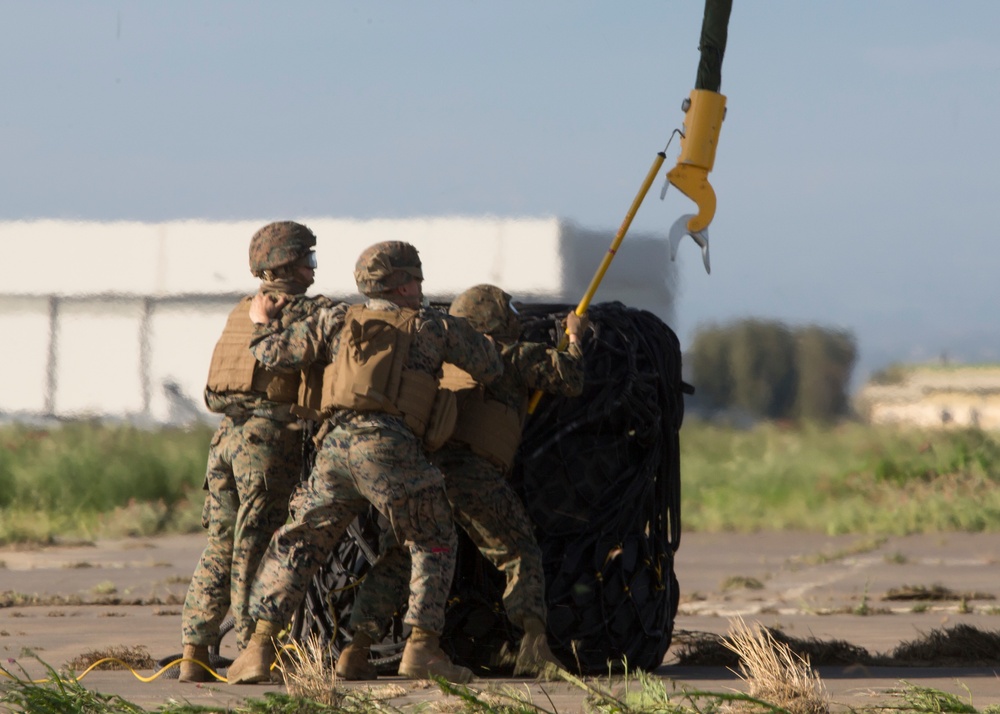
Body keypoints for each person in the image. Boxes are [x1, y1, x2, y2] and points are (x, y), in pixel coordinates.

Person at [224, 241, 504, 685]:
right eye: (416, 280)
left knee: (299, 542)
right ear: (406, 284)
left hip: (334, 448)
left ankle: (260, 648)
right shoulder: (434, 325)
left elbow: (273, 354)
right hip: (391, 448)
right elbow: (491, 366)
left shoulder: (336, 319)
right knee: (433, 539)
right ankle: (422, 649)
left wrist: (261, 325)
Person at [335, 284, 588, 680]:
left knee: (400, 557)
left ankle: (356, 649)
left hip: (422, 470)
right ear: (499, 320)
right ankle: (533, 646)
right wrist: (574, 336)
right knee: (519, 552)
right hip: (473, 473)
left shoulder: (445, 359)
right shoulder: (510, 355)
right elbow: (569, 378)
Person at [178, 221, 339, 683]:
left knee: (219, 545)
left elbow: (213, 391)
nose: (312, 269)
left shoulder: (241, 312)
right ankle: (253, 649)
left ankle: (195, 649)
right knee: (256, 545)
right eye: (308, 259)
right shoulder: (308, 311)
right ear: (288, 265)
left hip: (225, 438)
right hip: (266, 443)